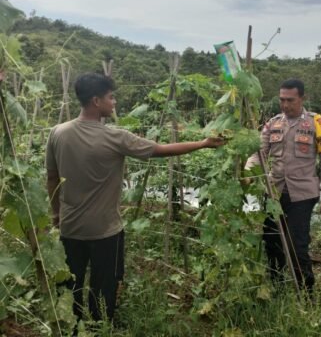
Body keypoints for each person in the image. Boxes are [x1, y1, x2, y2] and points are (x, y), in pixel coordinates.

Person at [46, 73, 224, 324]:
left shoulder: (57, 133)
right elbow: (161, 150)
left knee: (69, 284)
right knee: (104, 287)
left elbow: (52, 178)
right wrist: (203, 143)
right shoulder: (116, 138)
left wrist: (56, 215)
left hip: (70, 227)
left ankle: (71, 325)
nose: (114, 102)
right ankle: (100, 326)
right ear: (96, 101)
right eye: (111, 97)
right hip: (105, 231)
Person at [245, 78, 321, 294]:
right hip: (275, 193)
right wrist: (247, 173)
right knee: (272, 240)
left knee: (297, 244)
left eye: (290, 100)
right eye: (282, 100)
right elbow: (259, 154)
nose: (285, 105)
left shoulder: (315, 123)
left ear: (302, 98)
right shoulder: (273, 123)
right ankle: (276, 284)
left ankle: (306, 291)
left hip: (303, 195)